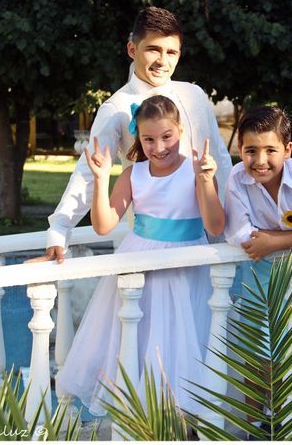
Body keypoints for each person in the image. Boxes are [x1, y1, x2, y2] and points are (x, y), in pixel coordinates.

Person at [55, 95, 225, 416]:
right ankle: (144, 423)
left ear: (179, 131)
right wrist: (103, 178)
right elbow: (104, 225)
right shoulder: (134, 175)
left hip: (185, 267)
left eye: (166, 137)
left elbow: (215, 224)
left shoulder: (196, 169)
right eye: (148, 139)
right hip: (140, 267)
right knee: (142, 342)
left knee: (182, 346)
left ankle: (183, 426)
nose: (158, 147)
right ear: (138, 138)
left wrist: (205, 180)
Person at [36, 6, 231, 263]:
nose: (163, 60)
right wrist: (59, 231)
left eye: (171, 52)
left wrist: (239, 221)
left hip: (210, 242)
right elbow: (88, 172)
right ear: (132, 50)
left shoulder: (195, 95)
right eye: (153, 49)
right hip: (151, 248)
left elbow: (221, 158)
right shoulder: (115, 108)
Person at [223, 106, 292, 434]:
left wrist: (273, 241)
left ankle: (286, 424)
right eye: (250, 150)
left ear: (287, 150)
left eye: (270, 150)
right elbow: (239, 232)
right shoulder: (236, 178)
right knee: (256, 352)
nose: (260, 160)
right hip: (257, 272)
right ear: (240, 149)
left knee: (287, 352)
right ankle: (254, 426)